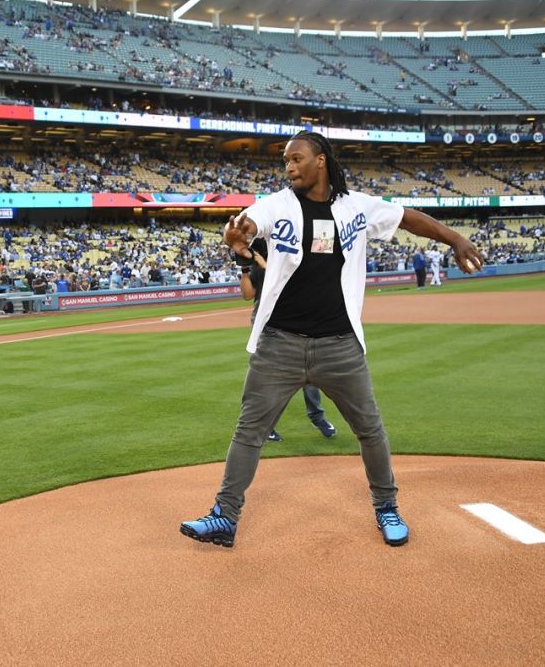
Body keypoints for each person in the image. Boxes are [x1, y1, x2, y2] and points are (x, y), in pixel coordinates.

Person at [179, 130, 485, 549]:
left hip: (340, 345)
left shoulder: (356, 206)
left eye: (296, 158)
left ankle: (387, 508)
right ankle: (224, 517)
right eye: (285, 161)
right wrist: (239, 241)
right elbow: (249, 225)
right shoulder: (277, 205)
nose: (289, 167)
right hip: (279, 343)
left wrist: (455, 238)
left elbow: (406, 217)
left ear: (320, 160)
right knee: (249, 431)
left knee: (370, 430)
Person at [235, 237, 337, 443]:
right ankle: (268, 426)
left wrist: (261, 261)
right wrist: (245, 269)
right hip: (268, 327)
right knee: (274, 379)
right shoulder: (258, 268)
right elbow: (248, 294)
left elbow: (285, 277)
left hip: (299, 322)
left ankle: (317, 418)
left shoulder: (289, 263)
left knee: (311, 376)